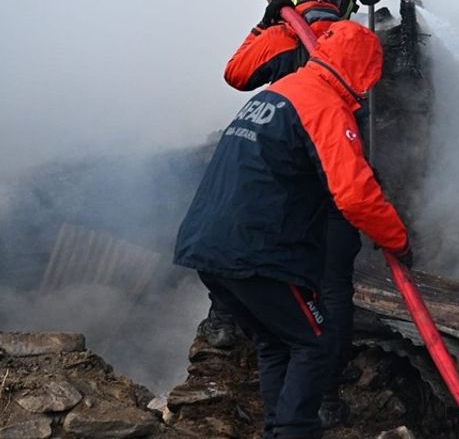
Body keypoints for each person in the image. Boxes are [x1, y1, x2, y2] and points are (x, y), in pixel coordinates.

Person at [175, 22, 411, 439]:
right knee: (316, 341)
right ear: (361, 69)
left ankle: (277, 429)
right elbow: (354, 195)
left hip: (209, 247)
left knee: (276, 343)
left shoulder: (279, 93)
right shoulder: (324, 104)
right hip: (256, 255)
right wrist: (397, 239)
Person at [224, 0, 371, 428]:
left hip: (285, 183)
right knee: (331, 285)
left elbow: (237, 74)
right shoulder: (343, 40)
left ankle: (285, 407)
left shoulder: (281, 40)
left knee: (291, 294)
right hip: (328, 176)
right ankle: (320, 393)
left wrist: (263, 25)